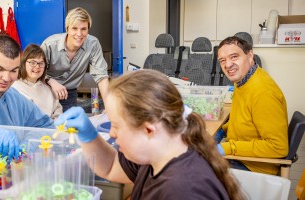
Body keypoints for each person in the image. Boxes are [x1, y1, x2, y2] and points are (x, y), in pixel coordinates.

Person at [55, 70, 244, 199]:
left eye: (116, 125)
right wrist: (89, 135)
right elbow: (112, 167)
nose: (112, 133)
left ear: (148, 129)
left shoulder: (184, 190)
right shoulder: (156, 156)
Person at [216, 36, 288, 175]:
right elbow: (242, 118)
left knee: (193, 172)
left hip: (255, 167)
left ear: (250, 56)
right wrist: (221, 132)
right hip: (241, 157)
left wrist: (228, 148)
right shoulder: (243, 80)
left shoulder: (263, 92)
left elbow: (278, 147)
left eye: (234, 57)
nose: (228, 65)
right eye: (222, 60)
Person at [41, 7, 109, 111]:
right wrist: (50, 81)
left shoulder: (93, 44)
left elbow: (102, 76)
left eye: (83, 29)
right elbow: (33, 72)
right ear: (67, 29)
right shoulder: (50, 45)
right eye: (74, 28)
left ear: (88, 29)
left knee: (69, 125)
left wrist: (109, 106)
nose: (79, 34)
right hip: (46, 91)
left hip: (69, 94)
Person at [12, 44, 63, 119]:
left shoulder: (49, 89)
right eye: (32, 62)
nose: (37, 66)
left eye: (41, 63)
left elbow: (58, 113)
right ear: (23, 63)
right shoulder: (14, 88)